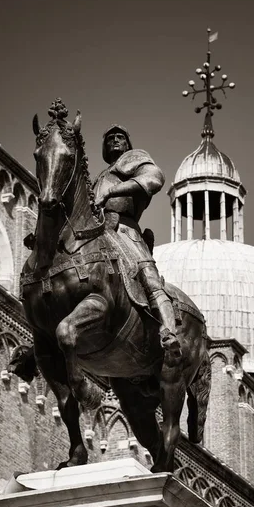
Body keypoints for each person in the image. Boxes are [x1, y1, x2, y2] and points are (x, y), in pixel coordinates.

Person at [93, 125, 181, 361]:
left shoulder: (134, 158)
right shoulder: (100, 176)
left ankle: (168, 331)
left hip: (124, 229)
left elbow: (155, 178)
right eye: (110, 138)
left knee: (149, 277)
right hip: (98, 230)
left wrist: (111, 192)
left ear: (128, 144)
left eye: (120, 137)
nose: (114, 140)